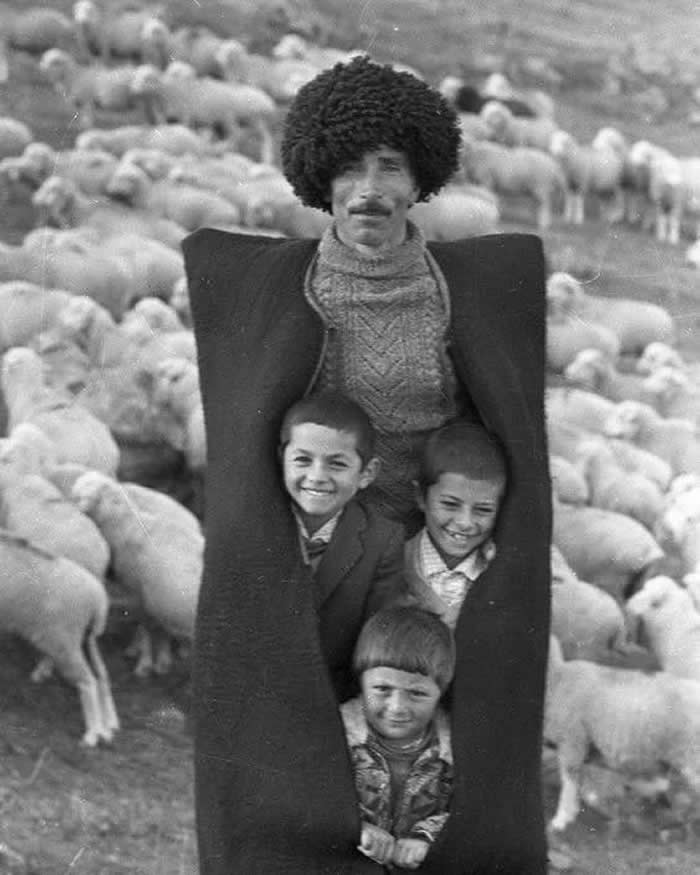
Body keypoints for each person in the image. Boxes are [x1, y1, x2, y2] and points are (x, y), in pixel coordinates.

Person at [184, 54, 551, 874]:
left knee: (431, 757)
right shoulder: (277, 292)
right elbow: (250, 446)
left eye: (390, 165)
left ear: (421, 176)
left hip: (433, 561)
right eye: (349, 168)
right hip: (323, 553)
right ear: (320, 178)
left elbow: (506, 435)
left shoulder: (468, 291)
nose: (369, 190)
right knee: (308, 756)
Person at [280, 391, 408, 701]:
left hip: (335, 697)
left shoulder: (382, 539)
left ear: (367, 474)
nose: (316, 476)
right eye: (302, 460)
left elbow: (378, 638)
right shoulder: (258, 525)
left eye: (336, 464)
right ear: (281, 459)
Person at [342, 606, 455, 871]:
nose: (397, 707)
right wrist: (356, 826)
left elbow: (467, 808)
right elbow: (316, 798)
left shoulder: (452, 748)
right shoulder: (339, 735)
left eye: (417, 693)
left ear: (441, 692)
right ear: (361, 683)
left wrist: (425, 837)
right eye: (382, 689)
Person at [404, 420, 507, 631]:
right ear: (421, 497)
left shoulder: (499, 571)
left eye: (483, 510)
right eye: (450, 505)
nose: (464, 523)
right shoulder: (394, 564)